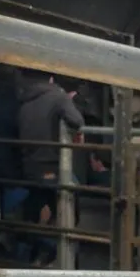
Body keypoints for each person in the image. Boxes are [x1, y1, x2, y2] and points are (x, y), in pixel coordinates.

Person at [16, 71, 84, 261]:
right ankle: (57, 256)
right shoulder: (58, 96)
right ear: (51, 79)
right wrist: (67, 101)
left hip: (29, 169)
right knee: (71, 203)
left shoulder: (25, 101)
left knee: (39, 211)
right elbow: (76, 121)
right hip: (52, 168)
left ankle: (28, 256)